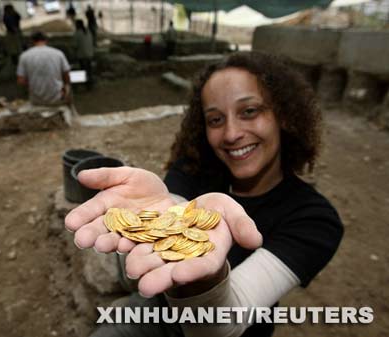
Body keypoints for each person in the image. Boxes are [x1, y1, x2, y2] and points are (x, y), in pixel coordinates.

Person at [65, 51, 344, 337]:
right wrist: (154, 223)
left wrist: (204, 283)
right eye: (215, 119)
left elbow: (225, 324)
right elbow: (170, 214)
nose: (232, 133)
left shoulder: (315, 221)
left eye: (249, 111)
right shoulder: (194, 166)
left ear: (283, 115)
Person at [17, 31, 71, 105]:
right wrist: (66, 87)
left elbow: (21, 81)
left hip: (36, 100)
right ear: (46, 40)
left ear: (32, 41)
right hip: (57, 98)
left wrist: (33, 85)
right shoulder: (58, 53)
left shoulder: (24, 56)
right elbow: (66, 74)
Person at [74, 19, 94, 89]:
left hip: (82, 55)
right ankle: (90, 83)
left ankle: (86, 84)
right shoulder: (88, 31)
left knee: (83, 70)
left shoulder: (77, 33)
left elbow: (75, 45)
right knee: (89, 69)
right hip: (90, 53)